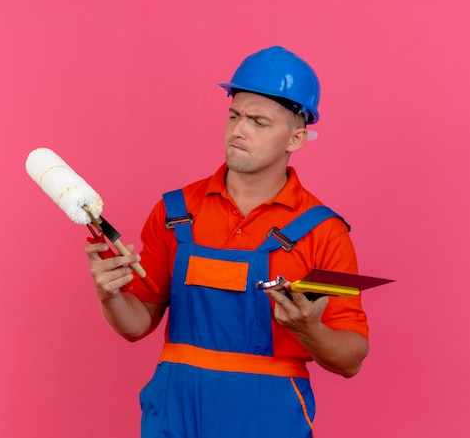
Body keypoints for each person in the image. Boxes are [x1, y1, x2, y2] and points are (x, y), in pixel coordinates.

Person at [86, 45, 369, 438]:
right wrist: (111, 295)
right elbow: (137, 325)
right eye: (234, 115)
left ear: (296, 139)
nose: (238, 130)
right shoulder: (175, 213)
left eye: (258, 121)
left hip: (268, 416)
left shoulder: (324, 233)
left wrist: (309, 329)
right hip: (175, 410)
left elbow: (351, 357)